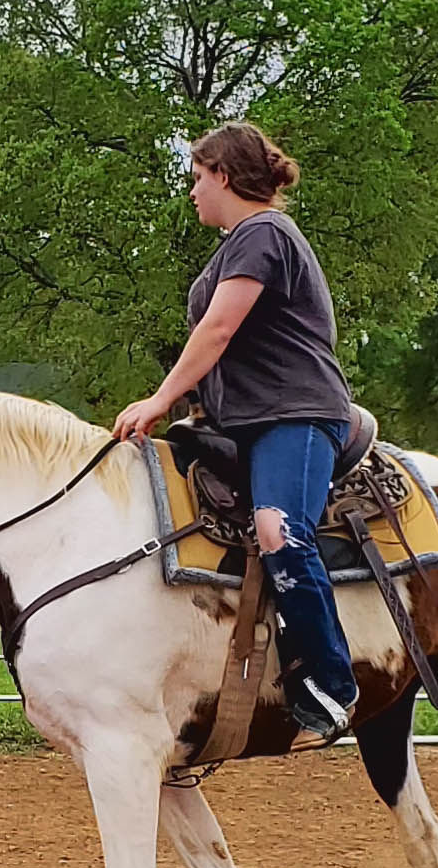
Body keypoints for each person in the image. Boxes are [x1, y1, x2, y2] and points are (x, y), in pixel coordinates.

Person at [113, 122, 361, 742]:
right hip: (242, 421)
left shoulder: (263, 232)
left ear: (223, 174)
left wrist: (161, 399)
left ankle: (333, 683)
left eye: (198, 177)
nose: (192, 191)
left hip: (295, 415)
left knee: (279, 529)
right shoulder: (238, 243)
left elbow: (219, 331)